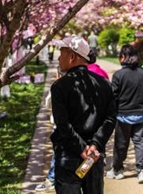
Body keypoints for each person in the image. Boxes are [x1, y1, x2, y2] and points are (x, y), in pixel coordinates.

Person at [50, 36, 116, 194]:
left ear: (72, 57)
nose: (58, 58)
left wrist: (81, 148)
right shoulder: (105, 84)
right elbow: (110, 119)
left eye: (61, 53)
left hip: (69, 155)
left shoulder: (60, 86)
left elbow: (63, 124)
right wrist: (95, 144)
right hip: (93, 157)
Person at [108, 44, 143, 184]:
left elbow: (113, 97)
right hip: (140, 115)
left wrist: (110, 114)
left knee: (121, 144)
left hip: (123, 116)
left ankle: (118, 170)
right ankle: (141, 171)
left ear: (123, 57)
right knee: (139, 142)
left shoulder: (118, 75)